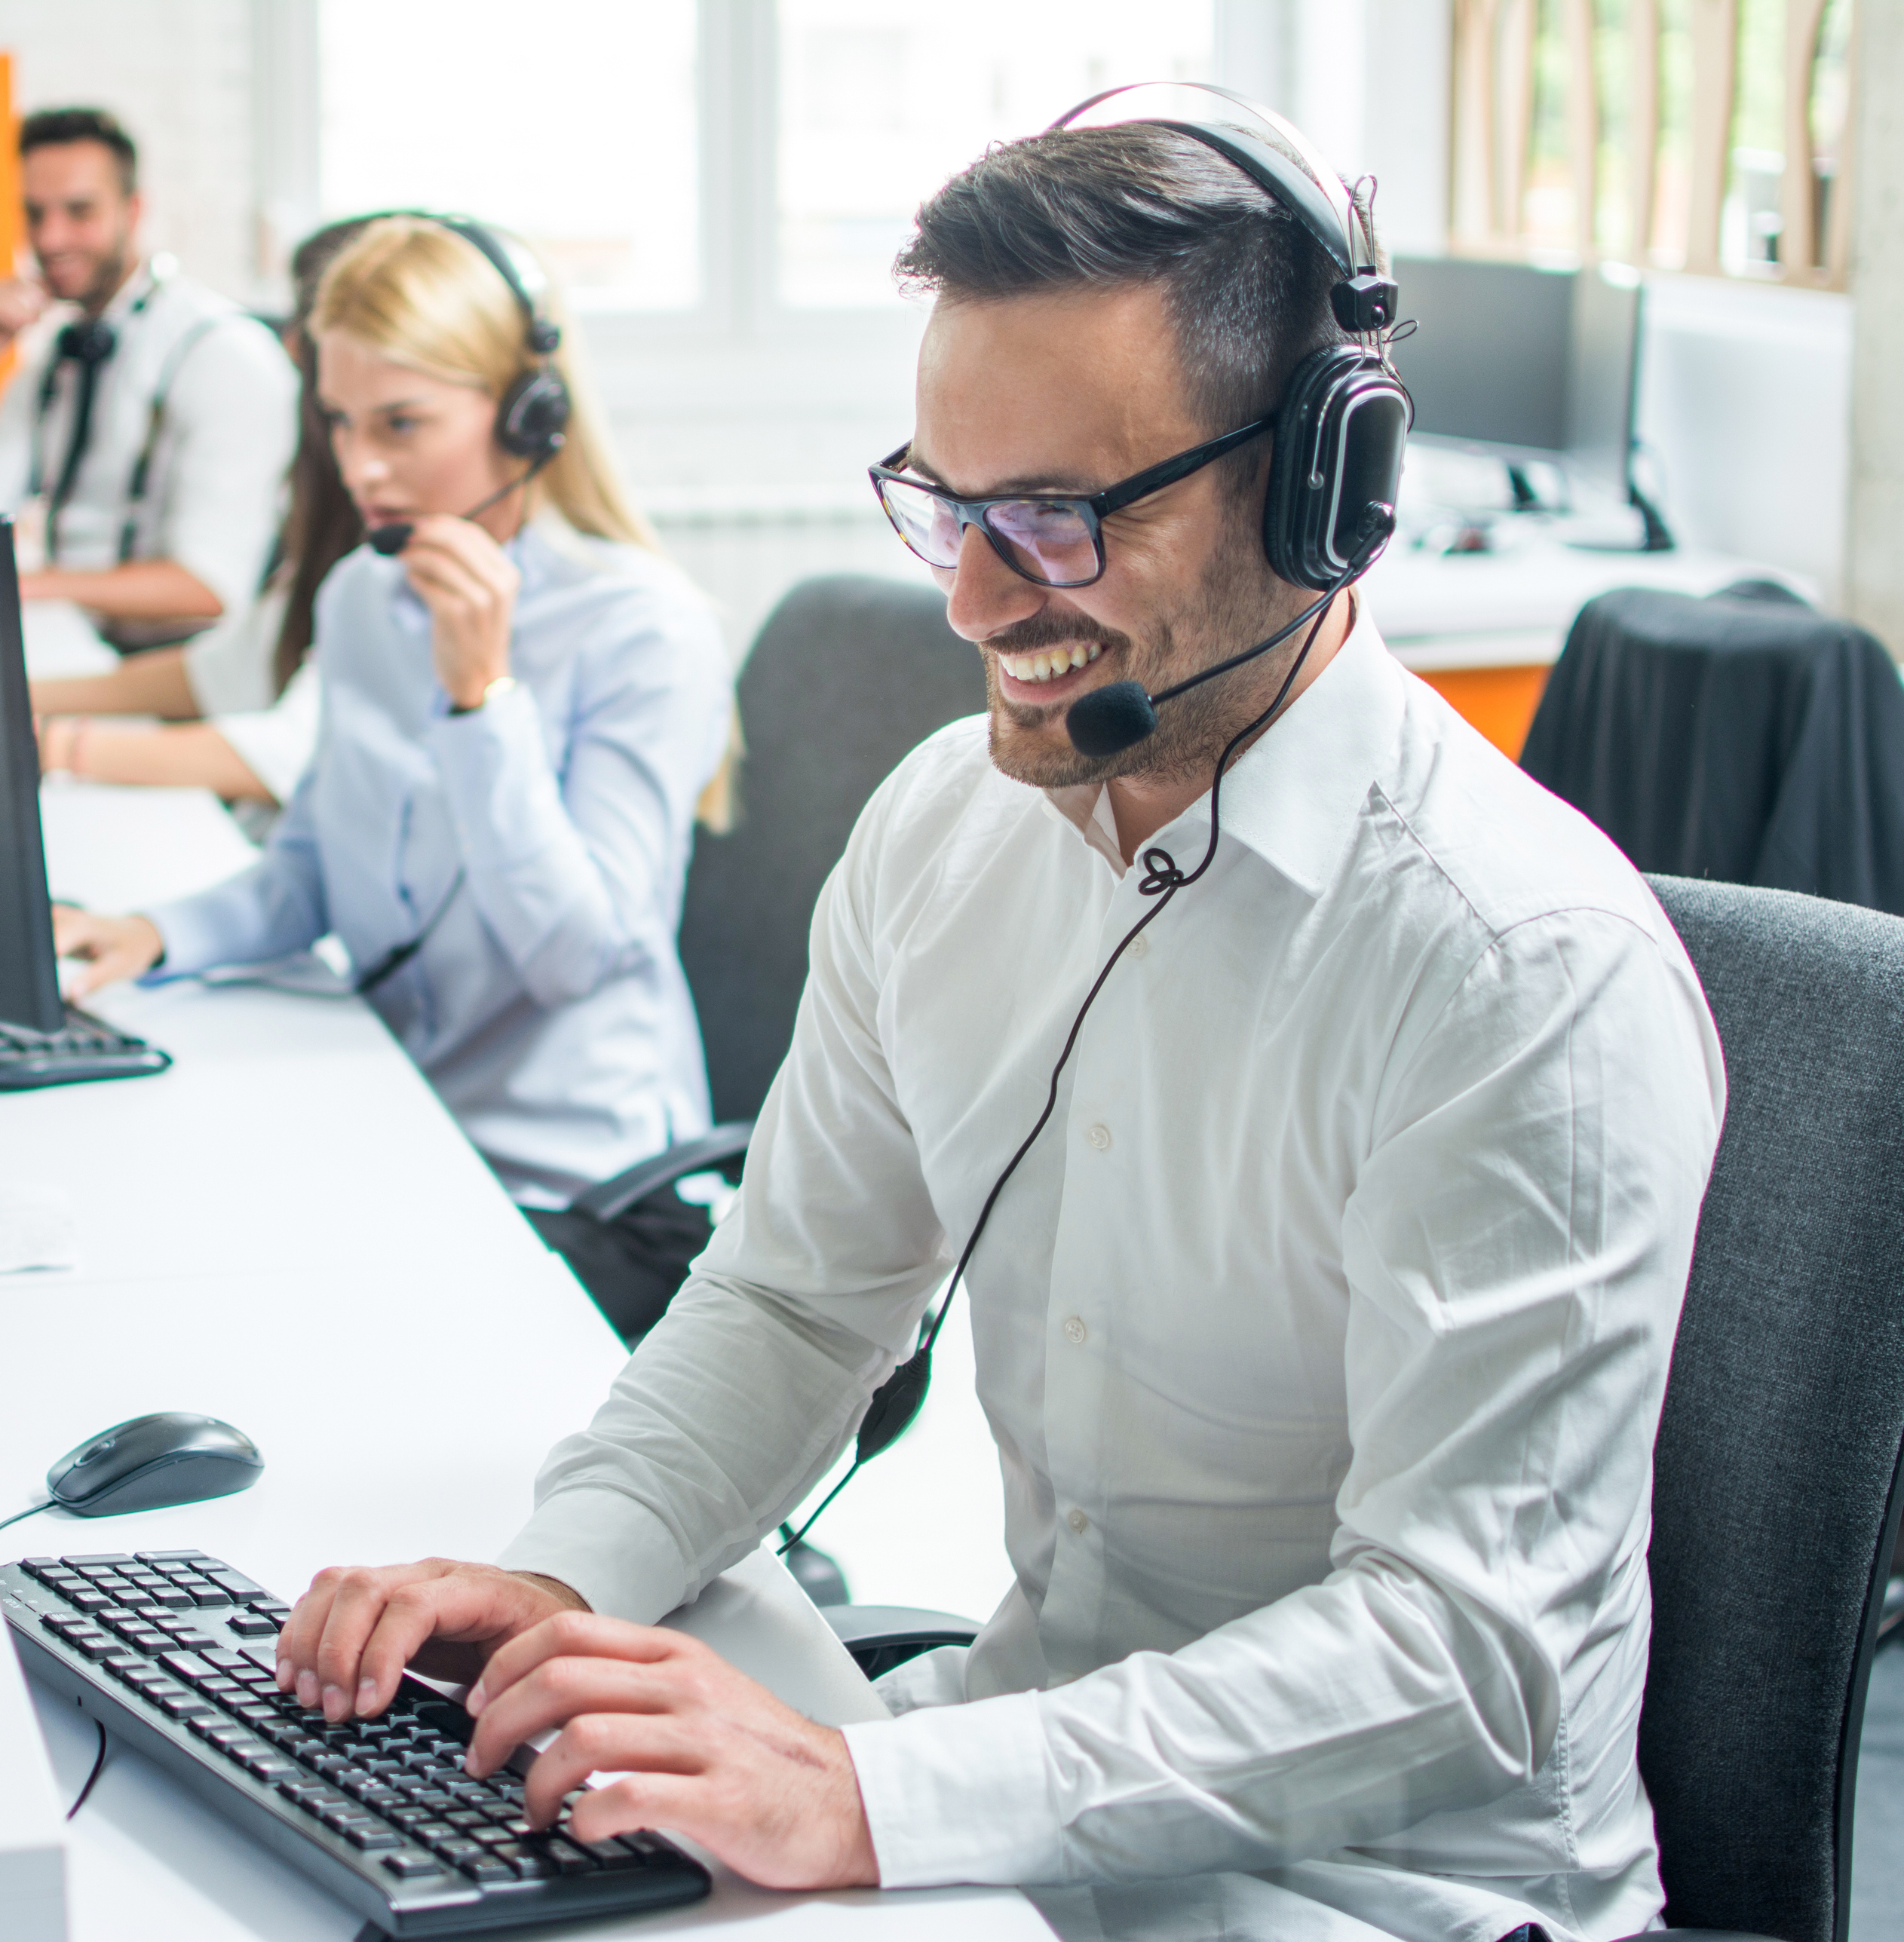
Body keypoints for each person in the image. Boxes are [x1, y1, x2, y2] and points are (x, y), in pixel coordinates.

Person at [260, 102, 1728, 1942]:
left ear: (1317, 485)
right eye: (948, 506)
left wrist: (869, 1793)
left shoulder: (1516, 966)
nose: (966, 598)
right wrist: (563, 1577)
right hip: (1012, 1806)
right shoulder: (948, 828)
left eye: (1050, 519)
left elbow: (1461, 1649)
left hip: (1379, 1896)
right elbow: (797, 1300)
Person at [52, 216, 735, 1325]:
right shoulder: (363, 599)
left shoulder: (643, 632)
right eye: (339, 422)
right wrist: (154, 934)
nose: (360, 467)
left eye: (403, 424)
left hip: (578, 1197)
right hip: (400, 1124)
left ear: (530, 414)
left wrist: (482, 702)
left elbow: (574, 957)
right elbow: (314, 866)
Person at [0, 106, 298, 668]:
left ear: (134, 210)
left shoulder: (221, 356)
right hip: (76, 642)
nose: (50, 238)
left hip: (173, 672)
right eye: (34, 214)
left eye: (79, 211)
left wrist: (27, 587)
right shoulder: (54, 362)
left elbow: (208, 589)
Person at [26, 218, 376, 813]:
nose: (290, 345)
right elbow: (228, 669)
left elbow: (295, 751)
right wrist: (13, 698)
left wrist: (55, 747)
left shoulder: (403, 534)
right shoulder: (339, 522)